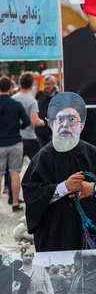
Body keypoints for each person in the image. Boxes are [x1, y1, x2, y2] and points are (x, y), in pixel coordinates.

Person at [22, 92, 96, 251]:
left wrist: (94, 189)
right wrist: (64, 187)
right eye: (60, 119)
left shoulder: (93, 154)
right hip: (54, 236)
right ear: (52, 124)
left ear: (81, 125)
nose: (66, 125)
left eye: (72, 119)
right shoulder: (42, 158)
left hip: (91, 234)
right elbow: (32, 194)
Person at [0, 76, 30, 211]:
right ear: (11, 88)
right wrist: (19, 128)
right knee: (15, 173)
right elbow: (27, 121)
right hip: (15, 142)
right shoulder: (16, 104)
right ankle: (15, 204)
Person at [13, 72, 45, 161]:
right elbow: (34, 121)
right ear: (31, 85)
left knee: (14, 168)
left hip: (15, 138)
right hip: (29, 137)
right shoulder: (32, 101)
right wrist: (42, 122)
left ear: (20, 83)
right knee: (38, 163)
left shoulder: (13, 99)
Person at [35, 75, 58, 148]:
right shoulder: (40, 94)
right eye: (45, 84)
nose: (47, 86)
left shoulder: (58, 95)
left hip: (53, 129)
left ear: (54, 84)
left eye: (49, 84)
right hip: (41, 129)